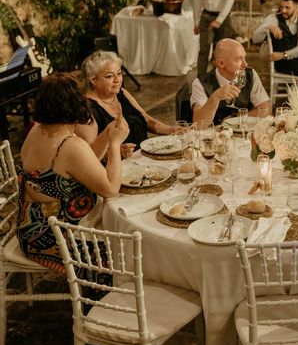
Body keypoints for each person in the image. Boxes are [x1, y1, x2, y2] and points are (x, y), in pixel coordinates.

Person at [17, 73, 129, 272]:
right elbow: (111, 189)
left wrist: (106, 134)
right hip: (61, 239)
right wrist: (115, 143)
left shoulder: (36, 130)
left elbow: (81, 164)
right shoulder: (70, 145)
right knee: (131, 239)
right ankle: (105, 292)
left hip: (30, 230)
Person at [76, 51, 180, 156]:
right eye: (109, 76)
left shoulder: (122, 93)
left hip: (144, 159)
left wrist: (173, 130)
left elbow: (146, 119)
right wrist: (116, 152)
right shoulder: (86, 109)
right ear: (93, 80)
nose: (117, 80)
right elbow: (90, 155)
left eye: (119, 73)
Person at [191, 38, 271, 126]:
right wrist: (215, 97)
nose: (245, 64)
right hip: (214, 136)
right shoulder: (201, 83)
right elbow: (198, 124)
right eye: (238, 59)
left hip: (243, 135)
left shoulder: (250, 75)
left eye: (244, 57)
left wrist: (237, 118)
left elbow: (266, 109)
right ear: (221, 64)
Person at [252, 0, 298, 89]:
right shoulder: (274, 19)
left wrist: (284, 54)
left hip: (292, 55)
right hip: (281, 62)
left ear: (296, 7)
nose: (283, 11)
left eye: (287, 7)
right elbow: (255, 39)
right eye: (281, 7)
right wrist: (268, 26)